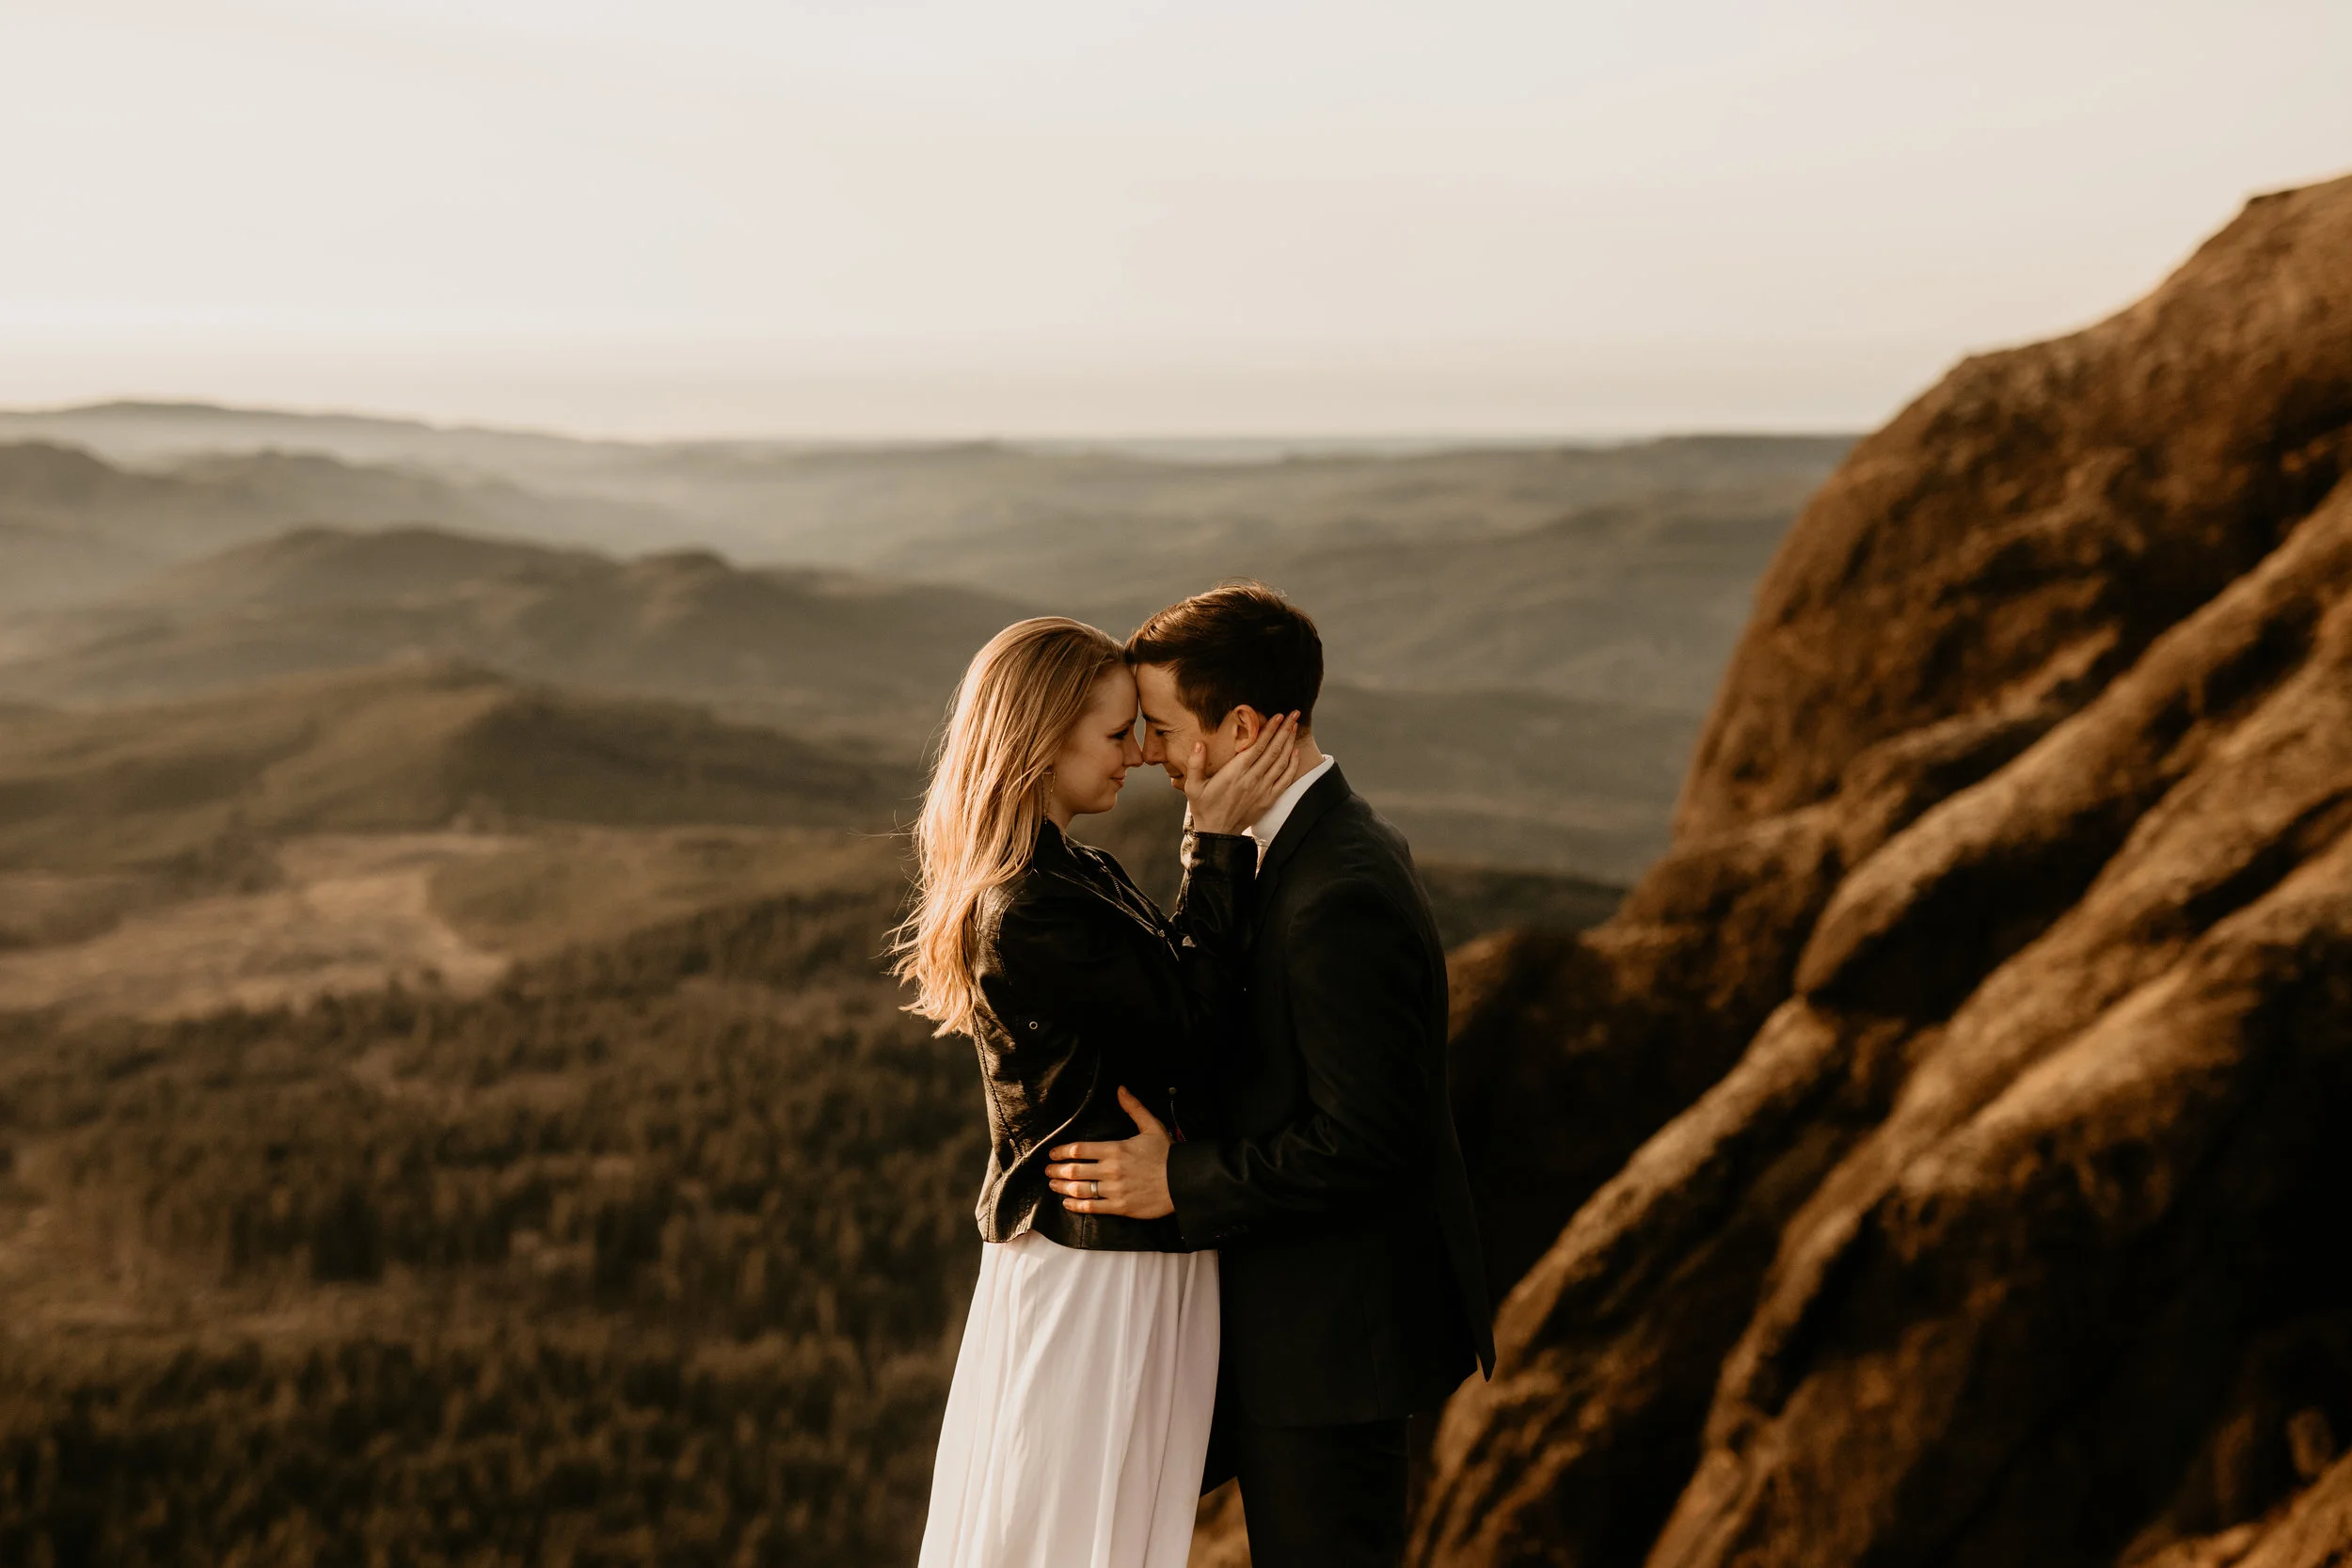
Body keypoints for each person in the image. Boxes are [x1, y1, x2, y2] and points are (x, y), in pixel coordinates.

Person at [1045, 584, 1495, 1568]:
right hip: (1286, 1326)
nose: (1149, 753)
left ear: (1240, 726)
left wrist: (1181, 1180)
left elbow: (1368, 1139)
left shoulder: (1338, 888)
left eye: (1160, 728)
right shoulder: (1292, 849)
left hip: (1332, 1343)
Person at [898, 615, 1304, 1568]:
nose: (1138, 755)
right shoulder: (1027, 906)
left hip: (1126, 1250)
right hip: (1098, 1266)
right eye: (1117, 732)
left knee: (1096, 1523)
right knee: (1071, 1530)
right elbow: (1196, 1031)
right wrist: (1213, 841)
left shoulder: (1072, 871)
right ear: (1042, 738)